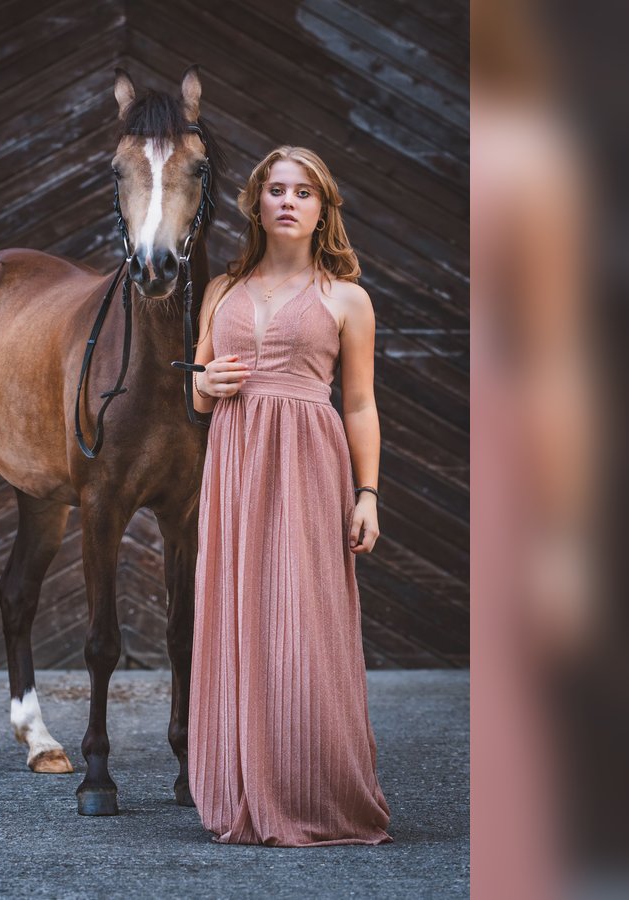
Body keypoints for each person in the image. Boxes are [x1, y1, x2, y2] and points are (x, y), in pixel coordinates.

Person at [186, 146, 392, 846]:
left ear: (322, 208)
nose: (287, 201)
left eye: (303, 192)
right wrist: (203, 386)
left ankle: (315, 786)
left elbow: (359, 403)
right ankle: (241, 778)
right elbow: (200, 383)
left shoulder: (347, 298)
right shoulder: (220, 290)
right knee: (238, 606)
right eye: (275, 189)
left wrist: (367, 493)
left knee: (305, 612)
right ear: (256, 203)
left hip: (309, 459)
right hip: (237, 461)